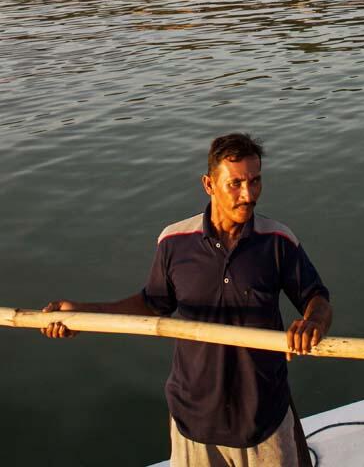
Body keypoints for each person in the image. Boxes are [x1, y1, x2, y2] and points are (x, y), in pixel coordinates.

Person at [42, 133, 332, 467]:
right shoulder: (174, 242)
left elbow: (317, 297)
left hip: (263, 415)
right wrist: (82, 315)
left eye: (255, 181)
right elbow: (152, 304)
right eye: (235, 184)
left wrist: (313, 322)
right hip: (195, 418)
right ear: (209, 185)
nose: (248, 195)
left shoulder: (278, 241)